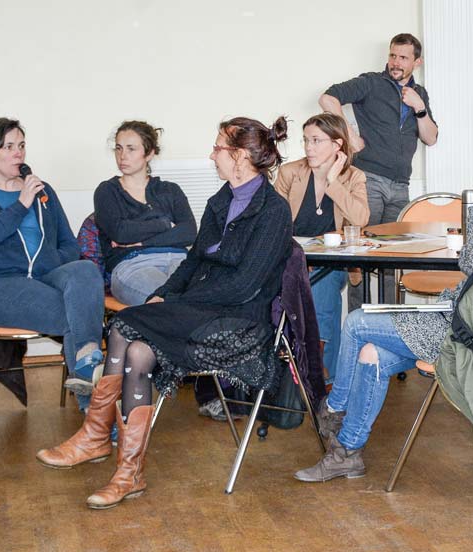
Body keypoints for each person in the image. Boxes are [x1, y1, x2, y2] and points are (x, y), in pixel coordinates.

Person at [36, 116, 294, 510]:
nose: (212, 155)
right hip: (204, 309)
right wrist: (164, 293)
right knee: (136, 351)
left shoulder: (273, 211)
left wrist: (179, 303)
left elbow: (245, 286)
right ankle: (129, 473)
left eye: (218, 148)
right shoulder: (220, 201)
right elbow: (191, 262)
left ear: (239, 157)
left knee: (123, 323)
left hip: (241, 321)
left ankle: (94, 436)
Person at [294, 118, 473, 483]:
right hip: (467, 316)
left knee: (358, 322)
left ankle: (333, 409)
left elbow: (472, 260)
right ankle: (347, 452)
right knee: (370, 353)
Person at [0, 117, 104, 399]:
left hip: (45, 278)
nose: (18, 153)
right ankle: (96, 411)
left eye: (21, 145)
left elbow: (69, 244)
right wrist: (21, 205)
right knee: (80, 314)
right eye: (8, 147)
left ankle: (85, 371)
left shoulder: (42, 190)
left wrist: (50, 262)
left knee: (85, 270)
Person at [320, 32, 438, 307]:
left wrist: (419, 108)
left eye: (403, 57)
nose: (396, 62)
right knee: (359, 256)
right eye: (393, 55)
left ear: (416, 62)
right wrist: (349, 135)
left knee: (392, 259)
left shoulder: (419, 94)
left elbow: (430, 138)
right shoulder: (371, 83)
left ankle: (387, 325)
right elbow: (328, 98)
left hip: (401, 187)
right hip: (368, 180)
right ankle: (356, 325)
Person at [274, 113, 369, 384]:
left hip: (334, 261)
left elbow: (361, 219)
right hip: (291, 258)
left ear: (337, 145)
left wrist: (333, 181)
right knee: (318, 285)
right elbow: (273, 222)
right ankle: (326, 373)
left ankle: (316, 357)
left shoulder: (353, 177)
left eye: (316, 141)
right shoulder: (290, 173)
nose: (308, 147)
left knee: (322, 280)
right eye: (306, 140)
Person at [94, 121, 196, 307]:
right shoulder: (107, 191)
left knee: (202, 298)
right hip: (133, 264)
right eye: (118, 148)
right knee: (169, 302)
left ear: (149, 154)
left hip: (180, 260)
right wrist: (164, 224)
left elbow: (189, 232)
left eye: (131, 149)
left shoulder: (170, 190)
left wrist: (142, 242)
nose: (122, 156)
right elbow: (121, 232)